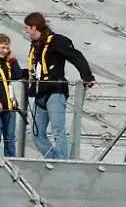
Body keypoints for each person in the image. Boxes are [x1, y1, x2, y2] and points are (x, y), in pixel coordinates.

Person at [24, 12, 97, 160]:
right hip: (40, 94)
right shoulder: (35, 46)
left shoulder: (56, 41)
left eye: (27, 28)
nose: (26, 31)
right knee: (37, 133)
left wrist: (87, 77)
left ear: (34, 27)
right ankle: (55, 160)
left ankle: (62, 162)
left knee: (58, 130)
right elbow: (33, 69)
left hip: (55, 92)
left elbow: (76, 56)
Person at [0, 34, 25, 157]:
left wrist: (12, 59)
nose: (5, 51)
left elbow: (17, 75)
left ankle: (11, 161)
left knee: (10, 137)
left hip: (9, 104)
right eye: (2, 48)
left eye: (7, 48)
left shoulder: (6, 61)